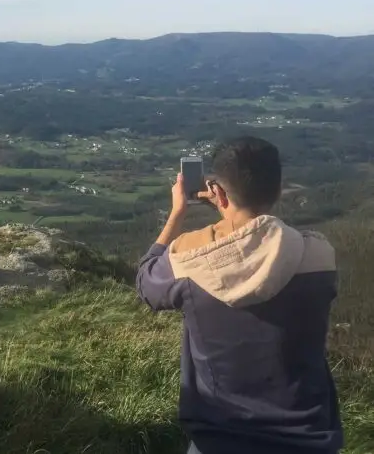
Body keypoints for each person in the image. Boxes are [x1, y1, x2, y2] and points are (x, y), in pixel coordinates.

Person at [136, 136, 342, 454]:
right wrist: (232, 212)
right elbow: (272, 243)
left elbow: (146, 282)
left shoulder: (188, 262)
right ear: (278, 188)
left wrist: (178, 215)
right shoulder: (320, 258)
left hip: (221, 437)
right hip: (308, 438)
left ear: (217, 192)